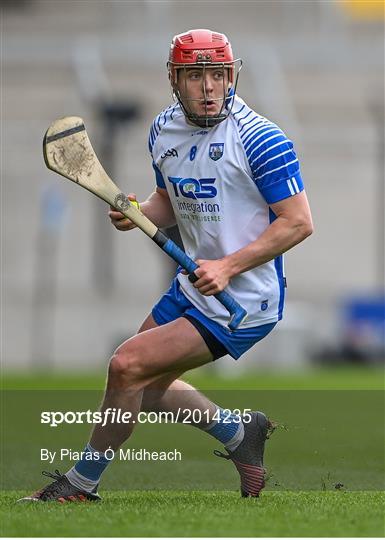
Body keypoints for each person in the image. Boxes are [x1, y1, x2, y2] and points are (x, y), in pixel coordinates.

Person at [21, 28, 313, 503]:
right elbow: (168, 200)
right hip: (194, 284)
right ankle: (240, 434)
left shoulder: (261, 139)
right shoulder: (163, 130)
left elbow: (298, 223)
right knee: (145, 386)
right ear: (175, 79)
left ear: (230, 76)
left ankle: (79, 484)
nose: (208, 87)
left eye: (217, 75)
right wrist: (137, 212)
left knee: (126, 365)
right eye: (195, 75)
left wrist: (228, 266)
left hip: (244, 297)